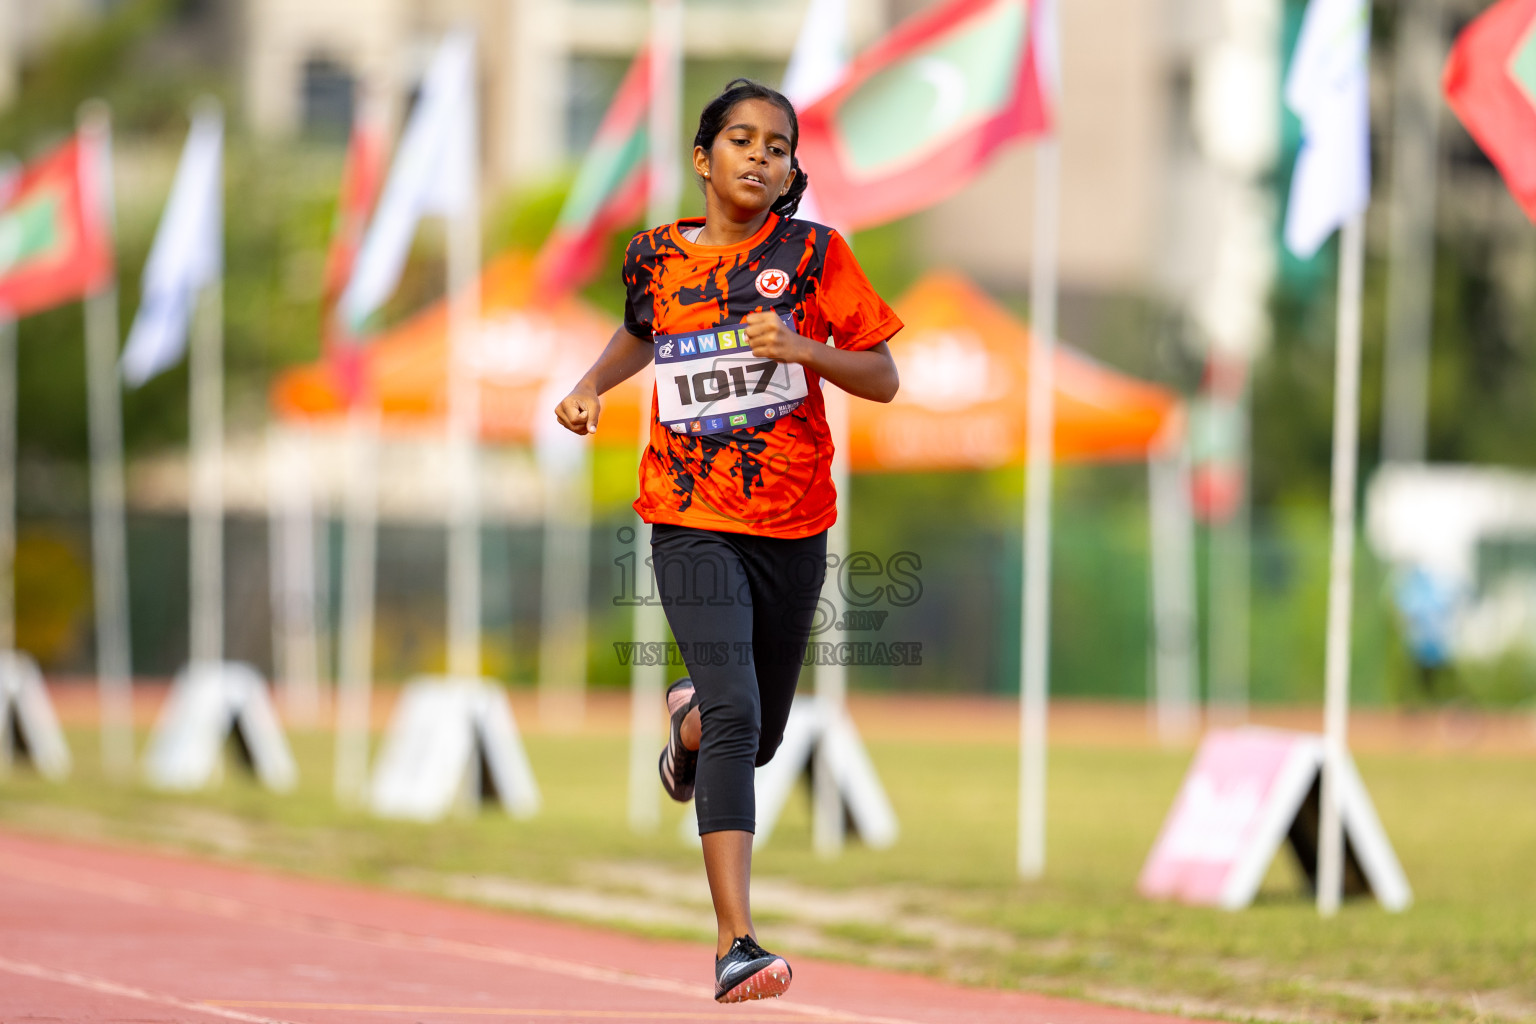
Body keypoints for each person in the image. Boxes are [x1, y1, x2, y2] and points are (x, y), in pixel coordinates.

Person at [555, 78, 902, 1003]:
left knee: (754, 734)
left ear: (792, 169)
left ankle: (687, 723)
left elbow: (883, 375)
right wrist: (593, 382)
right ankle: (735, 942)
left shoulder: (816, 256)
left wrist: (804, 350)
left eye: (778, 146)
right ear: (703, 158)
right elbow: (641, 332)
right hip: (689, 516)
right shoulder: (653, 257)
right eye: (741, 139)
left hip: (794, 524)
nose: (760, 155)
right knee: (742, 715)